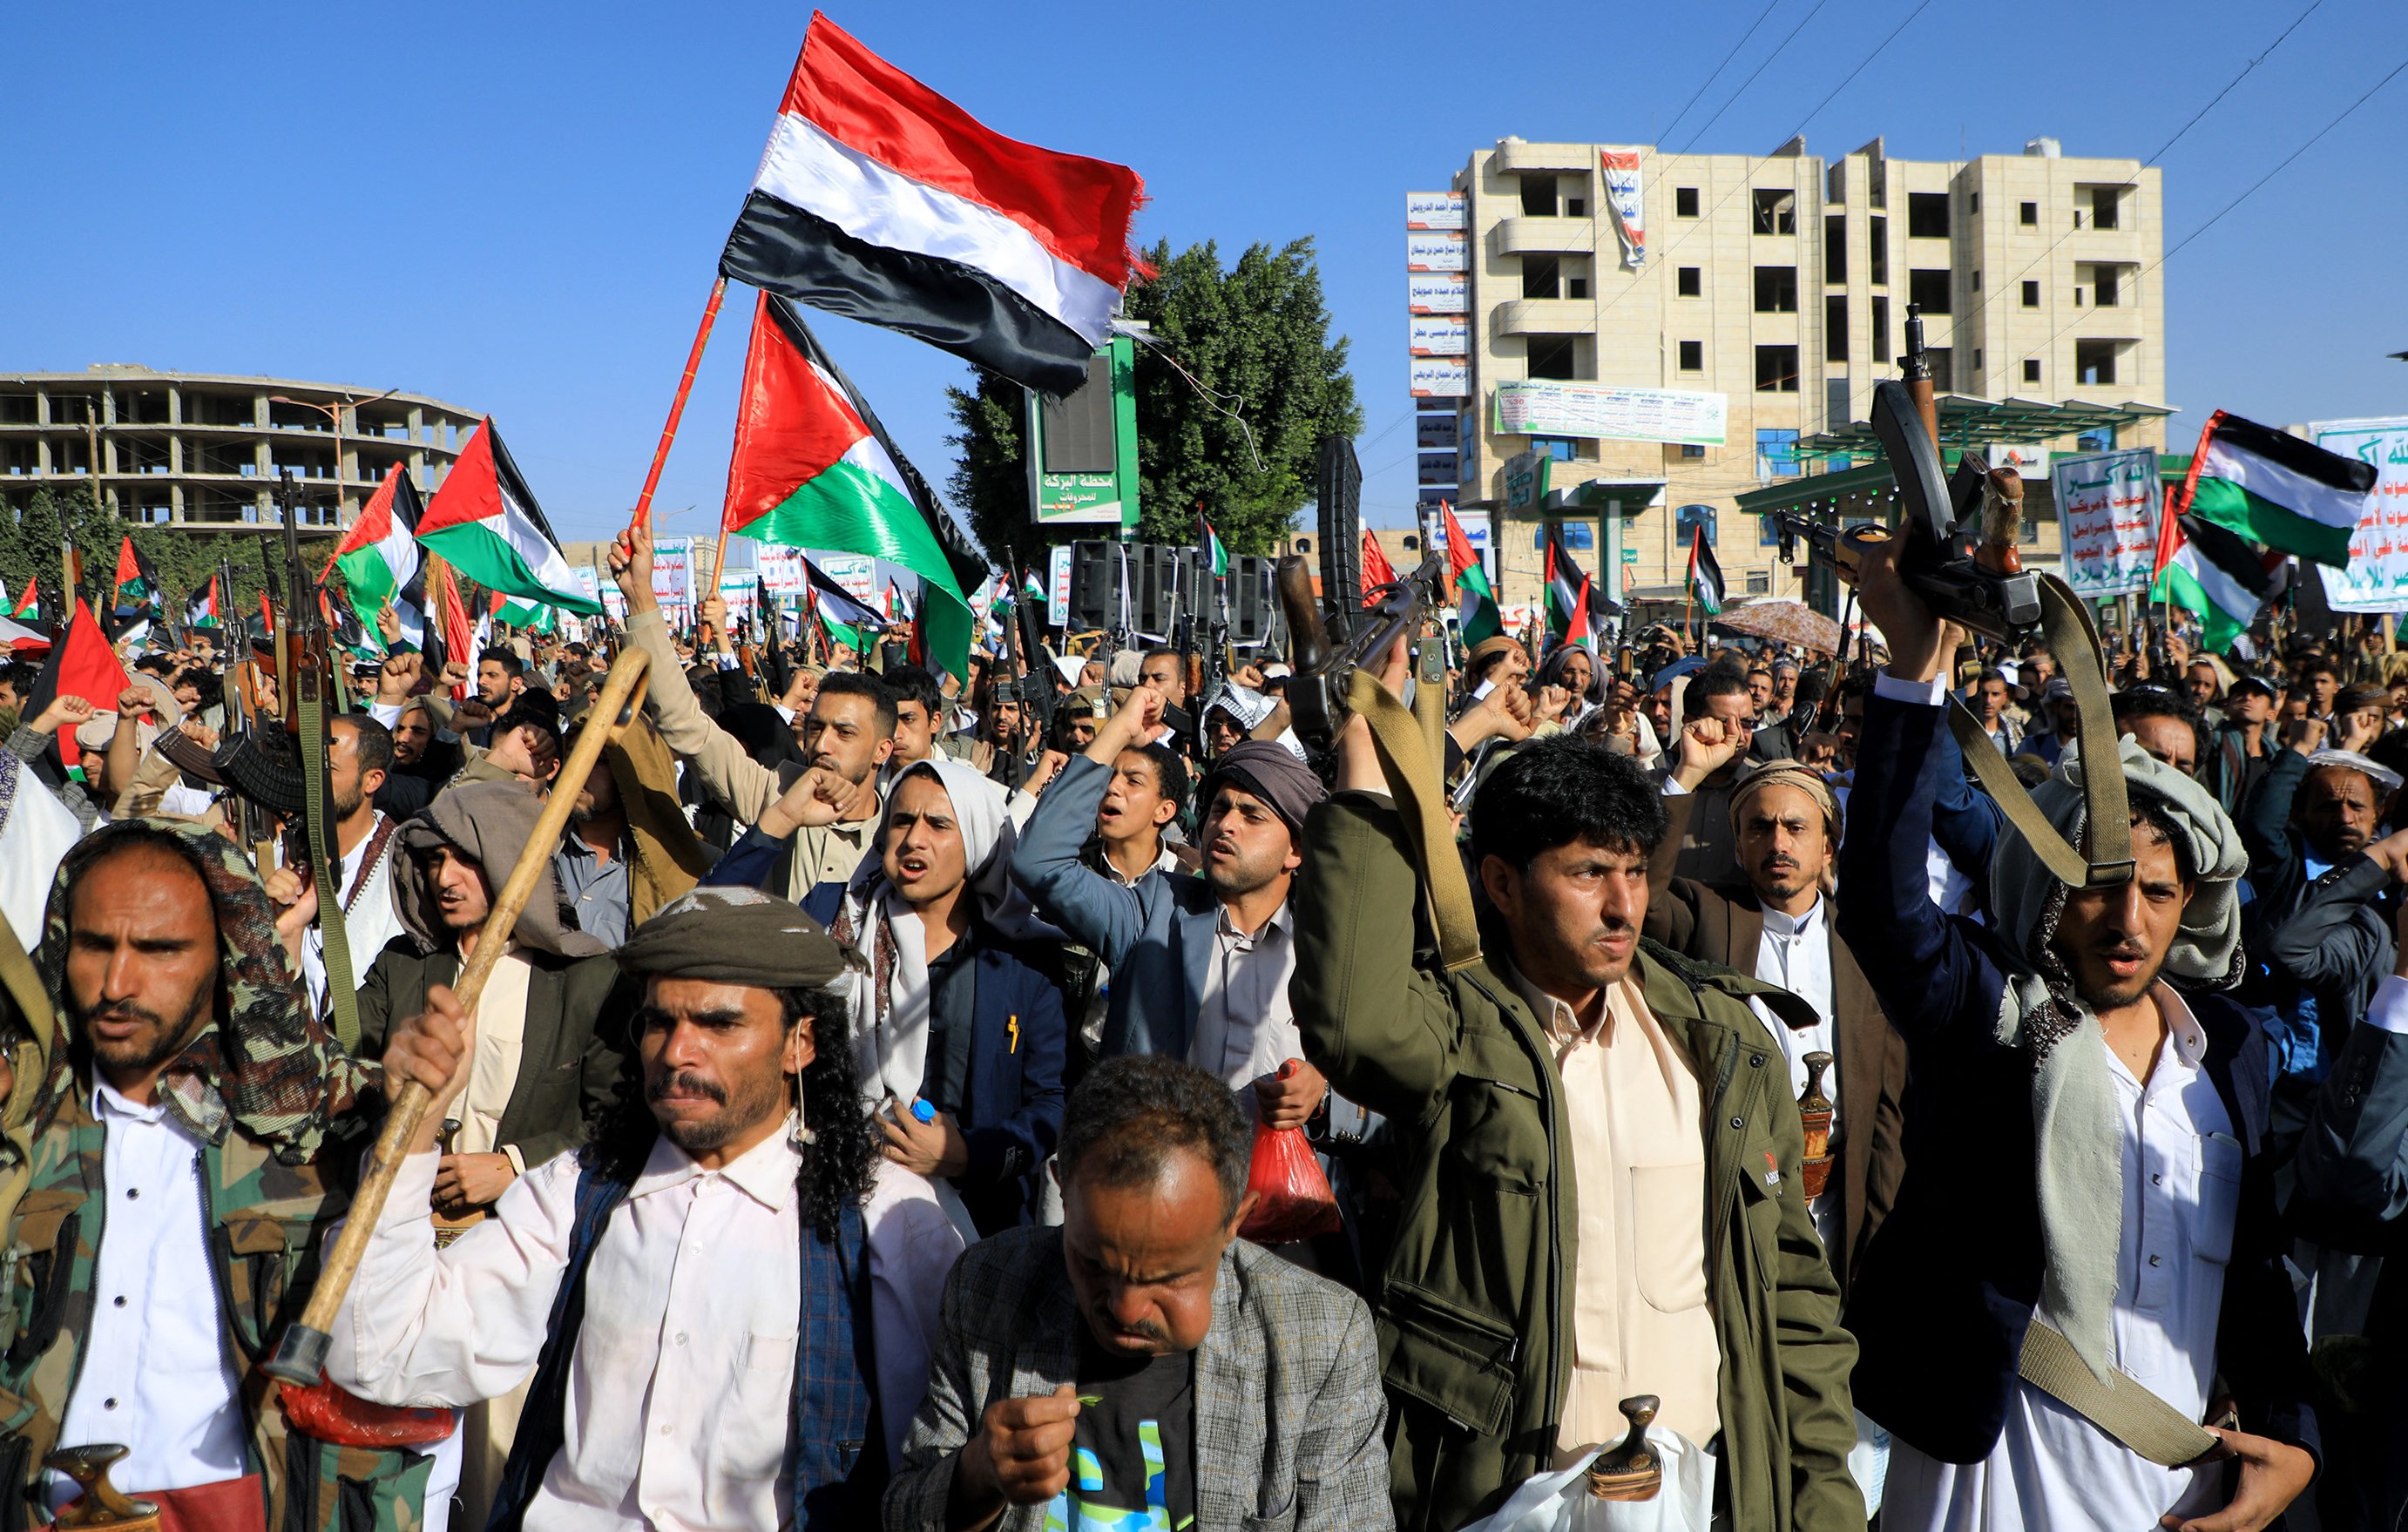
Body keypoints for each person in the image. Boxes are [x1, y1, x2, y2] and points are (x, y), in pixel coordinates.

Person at [1293, 665, 1863, 1530]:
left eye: (1634, 871)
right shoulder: (1463, 1030)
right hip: (1509, 1495)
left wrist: (1822, 1499)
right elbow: (1352, 1023)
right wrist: (1369, 778)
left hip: (1706, 1496)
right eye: (1589, 872)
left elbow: (1792, 1296)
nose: (1623, 905)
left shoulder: (1720, 1041)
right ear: (1500, 883)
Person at [1838, 533, 2316, 1532]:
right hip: (1990, 1487)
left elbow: (2258, 1277)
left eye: (2157, 893)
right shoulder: (1990, 1014)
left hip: (2170, 1489)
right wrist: (1913, 672)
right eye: (2097, 887)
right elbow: (1884, 913)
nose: (2127, 922)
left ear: (2190, 905)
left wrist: (2294, 1441)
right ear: (2048, 894)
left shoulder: (2227, 1049)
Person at [329, 886, 962, 1530]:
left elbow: (932, 1481)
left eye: (719, 1024)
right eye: (660, 1022)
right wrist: (415, 1128)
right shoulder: (579, 1191)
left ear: (800, 1042)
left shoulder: (886, 1221)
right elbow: (381, 1355)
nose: (677, 1051)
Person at [0, 819, 429, 1529]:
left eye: (159, 949)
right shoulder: (26, 1130)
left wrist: (415, 1107)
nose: (116, 983)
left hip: (242, 1508)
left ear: (227, 955)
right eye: (96, 945)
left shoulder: (314, 1131)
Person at [881, 1055, 1391, 1532]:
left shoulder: (1320, 1340)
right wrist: (974, 1477)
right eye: (1095, 1265)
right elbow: (903, 1512)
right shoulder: (990, 1288)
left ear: (1235, 1223)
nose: (1125, 1309)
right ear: (1063, 1190)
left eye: (1168, 1277)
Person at [1650, 721, 1908, 1297]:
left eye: (1795, 827)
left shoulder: (1866, 944)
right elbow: (1641, 901)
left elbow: (1887, 1105)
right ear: (1738, 845)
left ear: (1827, 846)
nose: (1778, 843)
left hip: (1836, 1204)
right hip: (1735, 1197)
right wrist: (1686, 775)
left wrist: (1879, 1229)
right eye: (1759, 828)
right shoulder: (1708, 915)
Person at [1014, 688, 1329, 1134]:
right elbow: (1039, 862)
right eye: (1220, 808)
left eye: (1252, 816)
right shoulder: (1155, 910)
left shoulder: (1325, 950)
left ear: (1295, 851)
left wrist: (1322, 1091)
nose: (1226, 824)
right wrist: (1119, 730)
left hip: (1272, 1176)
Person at [778, 759, 1070, 1238]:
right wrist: (779, 822)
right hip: (832, 1200)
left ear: (975, 842)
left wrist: (968, 1155)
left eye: (938, 824)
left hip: (976, 1221)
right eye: (902, 820)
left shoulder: (1023, 958)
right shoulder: (834, 916)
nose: (914, 839)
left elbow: (1050, 1104)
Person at [266, 713, 409, 1017]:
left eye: (327, 769)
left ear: (372, 780)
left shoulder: (401, 868)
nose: (311, 780)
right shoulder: (281, 854)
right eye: (308, 767)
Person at [1666, 665, 1759, 881]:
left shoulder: (1761, 790)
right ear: (1690, 723)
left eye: (1746, 724)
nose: (1739, 737)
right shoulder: (1658, 788)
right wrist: (1688, 774)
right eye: (1724, 724)